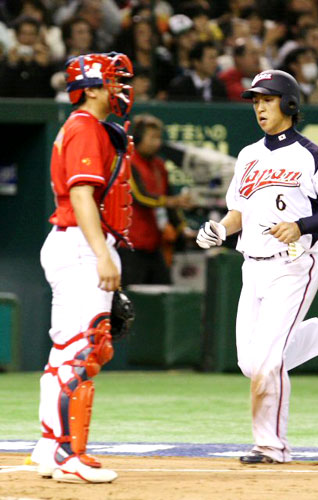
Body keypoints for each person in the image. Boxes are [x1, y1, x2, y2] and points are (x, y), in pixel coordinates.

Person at [196, 69, 318, 464]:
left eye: (267, 99)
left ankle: (271, 446)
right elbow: (239, 210)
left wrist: (302, 226)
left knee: (269, 361)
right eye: (255, 101)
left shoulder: (314, 156)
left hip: (294, 266)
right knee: (250, 364)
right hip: (251, 265)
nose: (259, 107)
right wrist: (220, 230)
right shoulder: (249, 155)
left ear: (289, 104)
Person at [31, 51, 134, 483]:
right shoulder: (85, 126)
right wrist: (102, 254)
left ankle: (48, 445)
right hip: (79, 244)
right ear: (91, 88)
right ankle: (67, 453)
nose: (119, 89)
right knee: (84, 348)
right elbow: (81, 198)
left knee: (66, 350)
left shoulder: (85, 127)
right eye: (112, 80)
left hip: (73, 243)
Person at [118, 114, 193, 286]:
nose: (157, 143)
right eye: (152, 138)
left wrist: (183, 229)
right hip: (129, 246)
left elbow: (171, 206)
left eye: (159, 138)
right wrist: (172, 201)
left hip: (153, 246)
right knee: (132, 301)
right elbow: (140, 197)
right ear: (138, 138)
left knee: (164, 292)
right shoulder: (128, 162)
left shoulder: (160, 166)